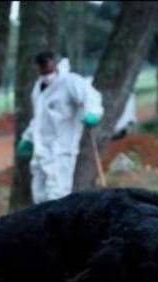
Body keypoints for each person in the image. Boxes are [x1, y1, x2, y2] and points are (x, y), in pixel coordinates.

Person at [16, 52, 104, 204]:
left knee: (58, 195)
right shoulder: (38, 88)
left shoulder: (70, 82)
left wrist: (93, 112)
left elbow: (90, 96)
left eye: (47, 63)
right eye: (41, 65)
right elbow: (39, 119)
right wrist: (28, 138)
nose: (45, 68)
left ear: (54, 62)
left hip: (62, 151)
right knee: (39, 196)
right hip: (41, 151)